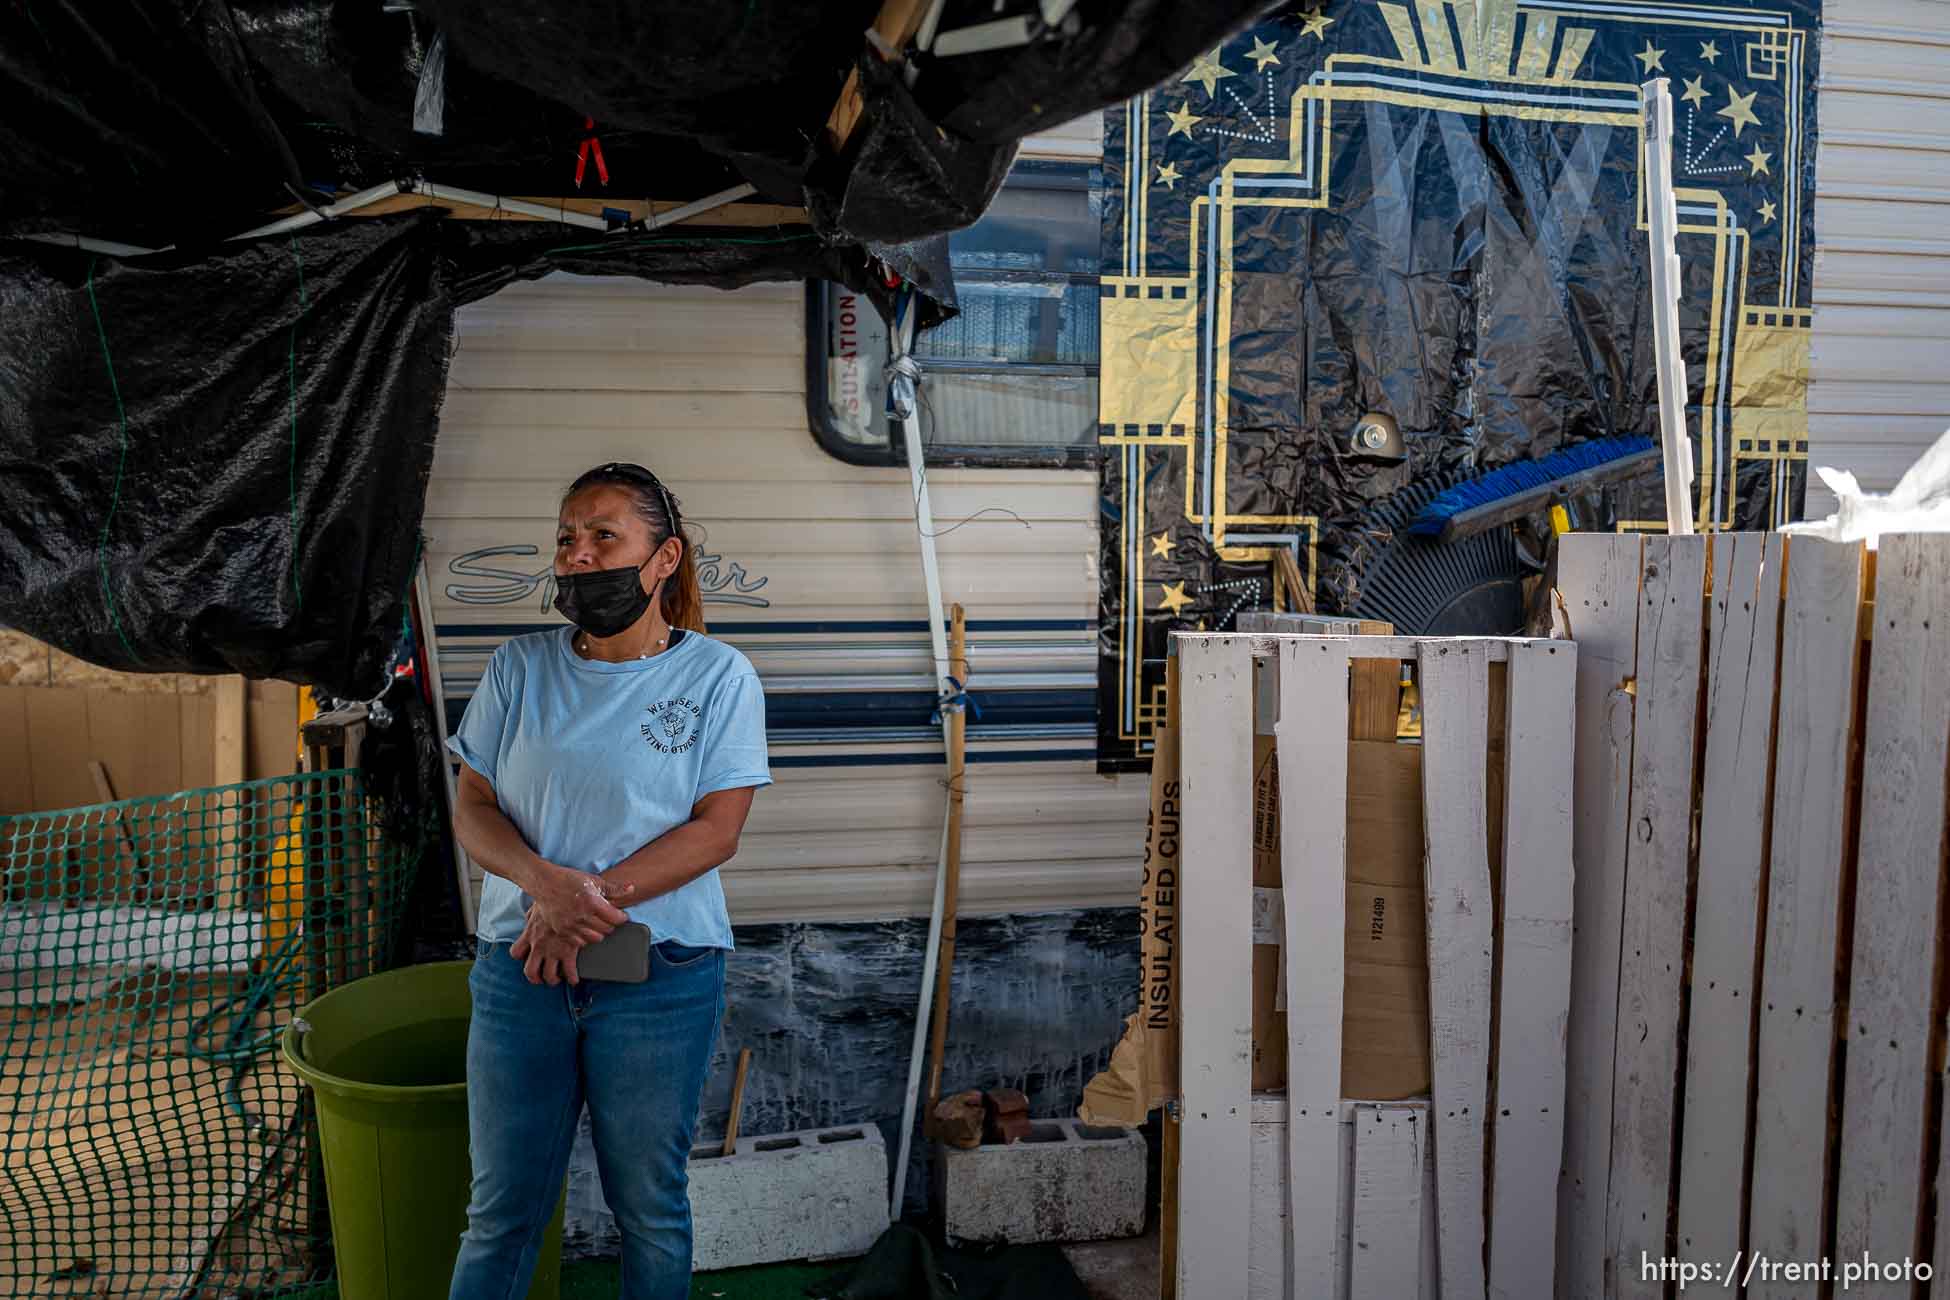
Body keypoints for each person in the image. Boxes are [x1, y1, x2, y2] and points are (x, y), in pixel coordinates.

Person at [444, 461, 770, 1300]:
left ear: (663, 560)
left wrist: (581, 902)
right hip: (521, 971)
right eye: (566, 538)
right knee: (501, 1211)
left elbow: (716, 830)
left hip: (657, 974)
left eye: (602, 536)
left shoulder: (718, 677)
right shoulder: (518, 668)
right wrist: (543, 889)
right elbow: (472, 804)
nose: (578, 555)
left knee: (649, 1209)